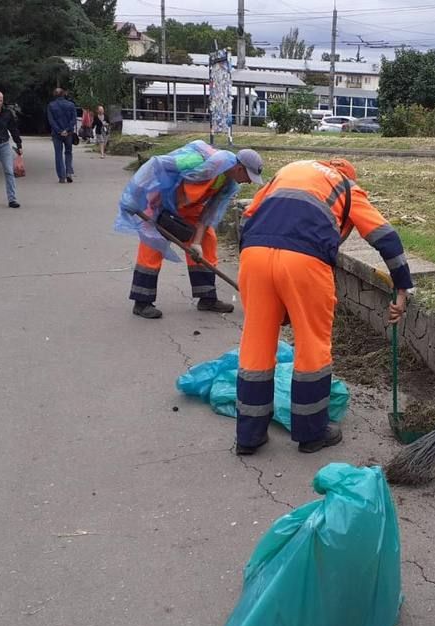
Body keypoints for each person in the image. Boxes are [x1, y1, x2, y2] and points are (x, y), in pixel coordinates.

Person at [234, 158, 413, 456]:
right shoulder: (347, 187)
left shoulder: (289, 171)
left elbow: (247, 217)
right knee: (312, 346)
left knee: (255, 344)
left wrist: (261, 276)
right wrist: (402, 287)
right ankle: (311, 433)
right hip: (305, 261)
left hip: (253, 255)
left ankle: (248, 436)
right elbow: (386, 237)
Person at [115, 141, 263, 319]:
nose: (248, 181)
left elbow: (209, 214)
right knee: (152, 246)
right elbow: (156, 165)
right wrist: (134, 197)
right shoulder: (197, 160)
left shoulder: (228, 184)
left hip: (190, 209)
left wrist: (197, 243)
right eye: (249, 176)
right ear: (239, 168)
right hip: (161, 203)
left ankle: (206, 297)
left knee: (208, 241)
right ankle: (142, 301)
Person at [47, 88, 77, 183]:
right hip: (69, 133)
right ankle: (69, 172)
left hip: (56, 134)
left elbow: (51, 121)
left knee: (58, 154)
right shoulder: (71, 105)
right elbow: (74, 119)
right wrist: (67, 130)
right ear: (64, 94)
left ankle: (61, 176)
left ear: (54, 95)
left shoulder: (51, 105)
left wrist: (59, 131)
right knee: (68, 152)